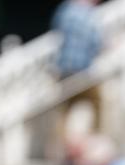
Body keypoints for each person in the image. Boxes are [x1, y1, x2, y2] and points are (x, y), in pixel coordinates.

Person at [51, 0, 103, 131]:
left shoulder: (65, 9)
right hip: (82, 70)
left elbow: (56, 31)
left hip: (64, 69)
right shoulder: (88, 13)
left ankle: (60, 141)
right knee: (97, 103)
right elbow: (96, 42)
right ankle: (96, 134)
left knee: (64, 109)